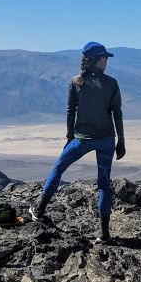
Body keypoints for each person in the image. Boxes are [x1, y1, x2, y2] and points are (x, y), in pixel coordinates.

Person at [29, 41, 126, 241]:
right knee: (103, 184)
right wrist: (121, 141)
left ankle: (38, 211)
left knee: (58, 168)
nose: (106, 60)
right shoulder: (111, 83)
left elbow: (70, 111)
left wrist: (69, 137)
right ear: (96, 60)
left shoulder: (75, 82)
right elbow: (117, 114)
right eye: (104, 57)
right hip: (106, 140)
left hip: (82, 139)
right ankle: (104, 234)